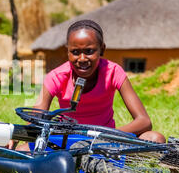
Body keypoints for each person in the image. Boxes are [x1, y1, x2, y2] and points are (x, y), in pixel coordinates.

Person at [33, 19, 166, 143]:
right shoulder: (56, 77)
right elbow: (35, 120)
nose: (82, 58)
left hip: (106, 142)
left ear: (102, 49)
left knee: (155, 138)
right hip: (67, 142)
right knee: (23, 151)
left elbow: (144, 121)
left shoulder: (113, 72)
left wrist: (104, 136)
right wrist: (13, 138)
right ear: (67, 52)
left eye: (89, 51)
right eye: (75, 52)